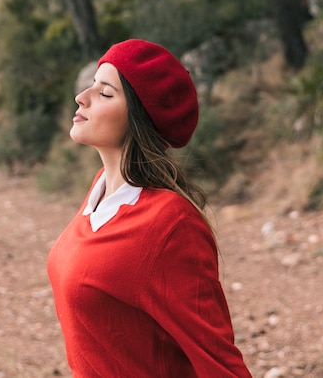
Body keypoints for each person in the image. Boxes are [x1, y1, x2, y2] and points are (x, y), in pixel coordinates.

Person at [47, 39, 252, 378]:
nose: (82, 97)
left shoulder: (171, 224)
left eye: (105, 93)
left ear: (139, 118)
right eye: (91, 85)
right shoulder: (101, 190)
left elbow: (219, 363)